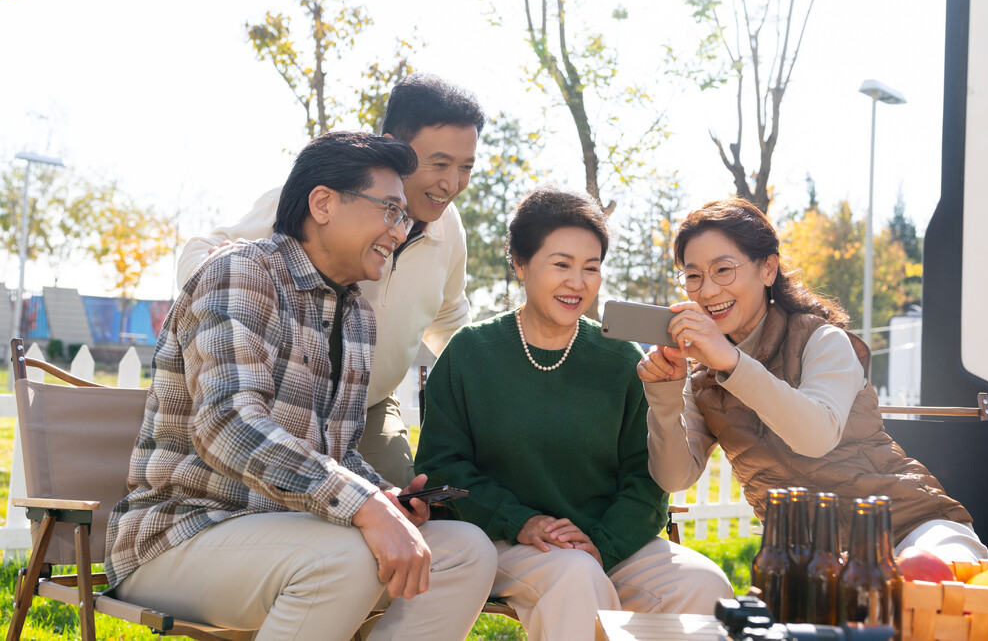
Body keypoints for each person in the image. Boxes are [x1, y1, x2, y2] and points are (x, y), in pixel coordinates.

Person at [105, 132, 497, 640]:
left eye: (403, 218)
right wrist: (364, 506)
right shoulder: (241, 273)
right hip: (182, 537)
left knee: (465, 551)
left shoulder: (355, 313)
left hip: (291, 532)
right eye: (390, 211)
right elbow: (229, 425)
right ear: (323, 203)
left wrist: (386, 497)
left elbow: (334, 454)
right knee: (345, 557)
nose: (399, 233)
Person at [414, 187, 733, 641]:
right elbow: (441, 466)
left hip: (602, 540)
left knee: (706, 584)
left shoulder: (621, 358)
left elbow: (645, 478)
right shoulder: (471, 352)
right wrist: (519, 520)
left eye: (591, 268)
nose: (578, 283)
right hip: (502, 538)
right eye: (561, 264)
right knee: (574, 575)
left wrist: (603, 545)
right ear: (521, 264)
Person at [176, 73, 484, 488]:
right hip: (283, 399)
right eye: (440, 163)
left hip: (366, 407)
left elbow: (449, 321)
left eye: (465, 167)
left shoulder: (449, 230)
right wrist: (227, 285)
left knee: (400, 506)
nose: (452, 183)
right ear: (395, 146)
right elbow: (205, 252)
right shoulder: (329, 199)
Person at [638, 198, 987, 563]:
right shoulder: (702, 379)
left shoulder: (822, 340)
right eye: (693, 276)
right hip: (810, 559)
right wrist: (664, 397)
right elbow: (674, 478)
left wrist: (731, 361)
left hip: (910, 530)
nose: (707, 291)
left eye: (723, 270)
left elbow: (815, 436)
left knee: (919, 581)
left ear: (768, 269)